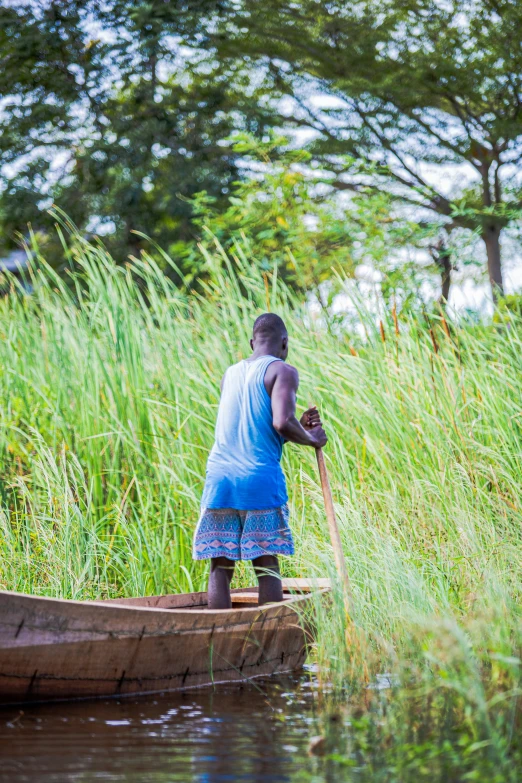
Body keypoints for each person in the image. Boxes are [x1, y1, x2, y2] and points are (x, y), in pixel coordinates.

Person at [193, 313, 327, 609]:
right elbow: (281, 422)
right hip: (257, 480)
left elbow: (256, 428)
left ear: (253, 342)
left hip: (219, 479)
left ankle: (219, 638)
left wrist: (300, 427)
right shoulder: (283, 371)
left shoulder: (230, 373)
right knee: (265, 565)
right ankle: (269, 641)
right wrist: (313, 439)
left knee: (221, 566)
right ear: (284, 343)